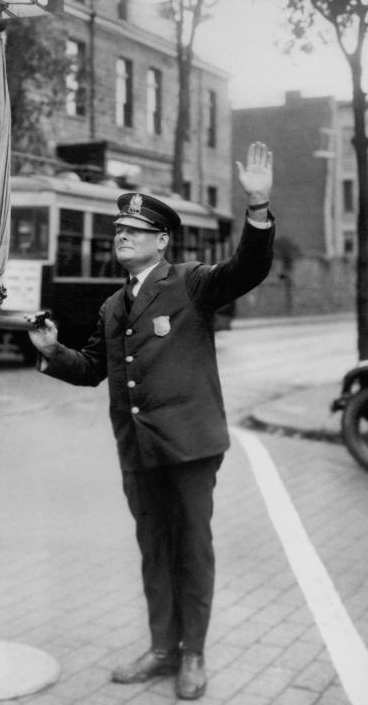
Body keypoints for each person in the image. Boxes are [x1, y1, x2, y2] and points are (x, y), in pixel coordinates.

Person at [27, 141, 275, 700]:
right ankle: (163, 648)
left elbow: (248, 268)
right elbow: (93, 368)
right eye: (119, 229)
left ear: (162, 240)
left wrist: (256, 209)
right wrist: (52, 349)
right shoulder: (113, 307)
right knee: (154, 549)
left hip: (190, 448)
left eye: (134, 230)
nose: (122, 236)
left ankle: (193, 654)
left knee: (191, 550)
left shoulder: (190, 281)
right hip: (138, 450)